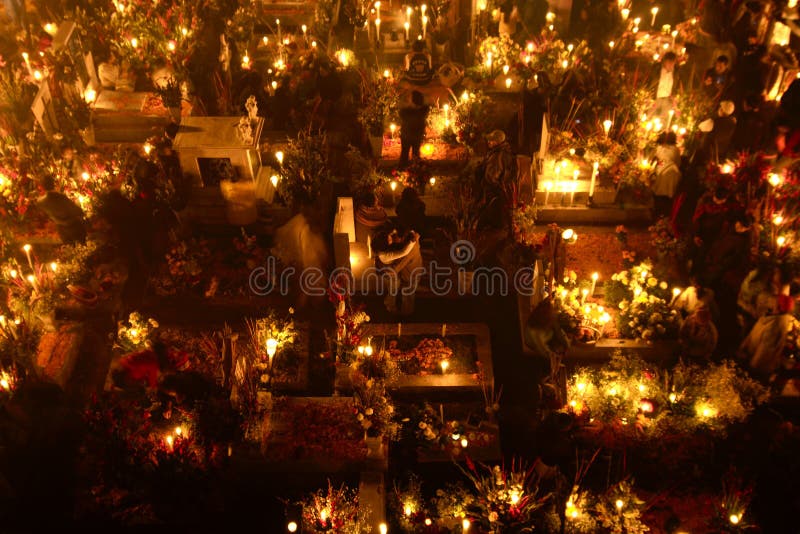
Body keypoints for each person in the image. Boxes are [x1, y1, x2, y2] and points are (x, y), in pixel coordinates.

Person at [739, 294, 798, 381]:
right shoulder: (769, 317)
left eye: (775, 300)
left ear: (778, 306)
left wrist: (750, 370)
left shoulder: (775, 326)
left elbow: (764, 353)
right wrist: (743, 348)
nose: (770, 300)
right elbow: (752, 334)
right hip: (748, 358)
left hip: (754, 371)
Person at [373, 228, 422, 314]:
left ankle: (406, 313)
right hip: (390, 273)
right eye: (389, 239)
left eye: (393, 238)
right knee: (395, 290)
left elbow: (402, 258)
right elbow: (402, 255)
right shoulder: (386, 253)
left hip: (410, 274)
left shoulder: (409, 247)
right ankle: (391, 306)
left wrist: (413, 241)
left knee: (406, 293)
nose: (392, 239)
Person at [110, 341, 187, 391]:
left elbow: (151, 365)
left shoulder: (132, 367)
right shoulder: (127, 365)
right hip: (155, 359)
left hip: (155, 359)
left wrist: (153, 385)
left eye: (127, 383)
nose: (130, 383)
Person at [480, 129, 517, 231]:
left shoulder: (497, 156)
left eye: (491, 140)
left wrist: (486, 183)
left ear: (497, 142)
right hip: (502, 188)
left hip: (495, 190)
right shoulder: (505, 151)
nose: (489, 142)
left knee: (493, 211)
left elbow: (491, 176)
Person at [523, 297, 570, 374]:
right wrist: (554, 357)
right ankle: (549, 375)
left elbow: (558, 331)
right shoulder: (534, 332)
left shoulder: (550, 318)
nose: (552, 314)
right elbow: (543, 350)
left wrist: (566, 344)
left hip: (545, 338)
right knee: (547, 364)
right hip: (535, 345)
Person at [36, 175, 87, 244]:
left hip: (61, 230)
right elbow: (78, 211)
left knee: (70, 249)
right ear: (53, 184)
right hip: (74, 227)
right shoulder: (61, 197)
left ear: (42, 186)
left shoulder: (40, 202)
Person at [651, 132, 681, 218]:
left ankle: (657, 214)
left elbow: (654, 159)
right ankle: (666, 216)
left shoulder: (659, 148)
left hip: (662, 171)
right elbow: (678, 162)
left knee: (658, 194)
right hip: (673, 172)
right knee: (669, 196)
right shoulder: (676, 149)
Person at [398, 91, 430, 168]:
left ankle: (403, 169)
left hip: (407, 136)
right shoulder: (423, 111)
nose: (408, 98)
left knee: (405, 154)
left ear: (414, 101)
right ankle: (415, 170)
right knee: (415, 154)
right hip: (416, 136)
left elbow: (401, 112)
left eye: (410, 97)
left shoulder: (407, 112)